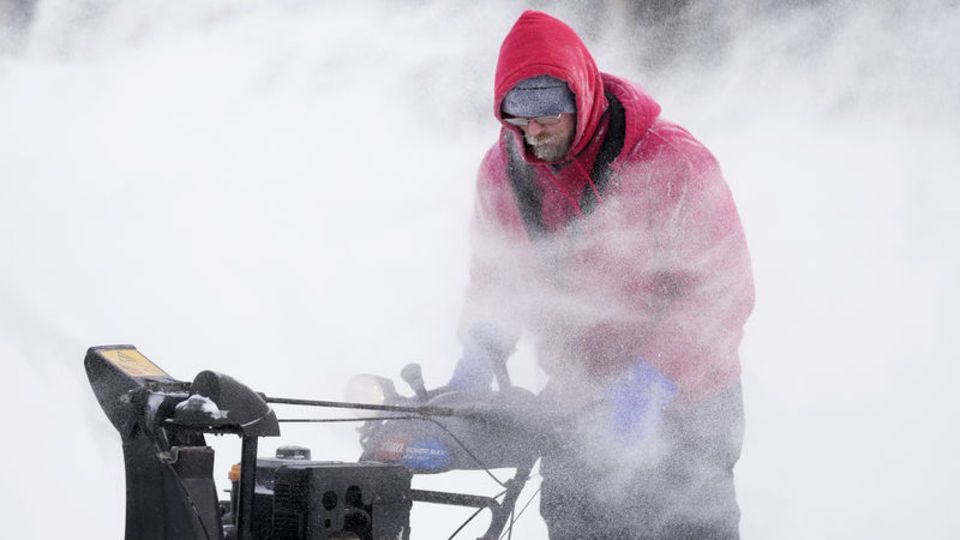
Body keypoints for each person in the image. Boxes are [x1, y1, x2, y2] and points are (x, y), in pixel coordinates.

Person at [448, 10, 755, 539]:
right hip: (575, 403)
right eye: (517, 113)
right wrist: (479, 352)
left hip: (688, 404)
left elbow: (721, 290)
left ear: (581, 94)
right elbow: (496, 278)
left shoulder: (670, 162)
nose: (534, 128)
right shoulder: (503, 172)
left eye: (548, 109)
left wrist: (652, 381)